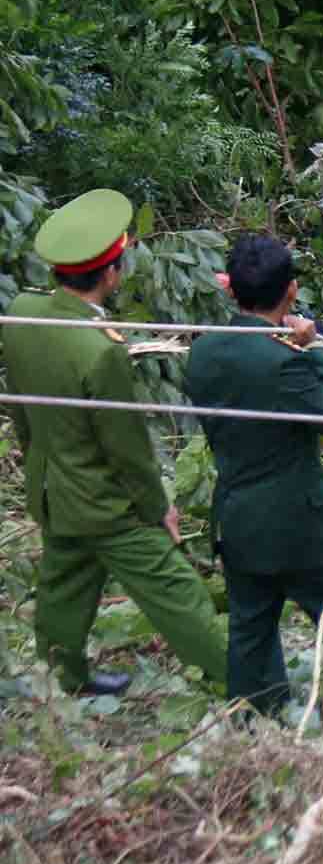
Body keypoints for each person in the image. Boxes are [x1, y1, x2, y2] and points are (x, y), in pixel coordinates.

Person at [1, 189, 227, 697]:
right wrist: (157, 507)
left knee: (65, 588)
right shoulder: (100, 352)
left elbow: (20, 410)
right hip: (106, 503)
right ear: (111, 273)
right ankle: (252, 685)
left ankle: (62, 680)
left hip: (52, 488)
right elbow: (125, 448)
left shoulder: (20, 314)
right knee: (177, 593)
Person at [186, 235, 323, 717]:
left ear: (231, 291)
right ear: (291, 292)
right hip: (297, 519)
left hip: (235, 517)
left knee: (251, 627)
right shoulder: (285, 363)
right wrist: (317, 351)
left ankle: (256, 723)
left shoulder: (203, 352)